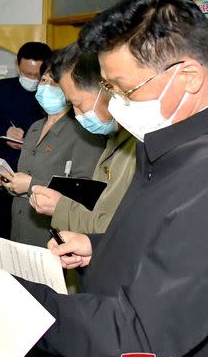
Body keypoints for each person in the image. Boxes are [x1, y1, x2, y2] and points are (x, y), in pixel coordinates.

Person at [17, 0, 208, 357]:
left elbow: (141, 334)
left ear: (186, 77)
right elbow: (169, 245)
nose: (113, 106)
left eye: (123, 90)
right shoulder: (170, 136)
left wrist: (21, 303)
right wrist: (100, 247)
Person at [0, 49, 105, 248]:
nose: (46, 87)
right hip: (20, 228)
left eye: (54, 83)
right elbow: (26, 176)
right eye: (43, 81)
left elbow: (85, 191)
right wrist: (7, 180)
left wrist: (32, 184)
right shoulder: (35, 127)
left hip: (53, 235)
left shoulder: (83, 130)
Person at [29, 42, 137, 237]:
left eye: (78, 104)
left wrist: (61, 208)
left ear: (107, 89)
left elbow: (125, 228)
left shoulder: (140, 143)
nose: (77, 115)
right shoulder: (115, 138)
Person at [0, 42, 51, 238]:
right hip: (3, 171)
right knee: (1, 230)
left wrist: (29, 139)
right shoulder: (2, 88)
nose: (32, 79)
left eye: (37, 76)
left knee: (31, 232)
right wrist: (5, 132)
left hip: (36, 175)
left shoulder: (51, 94)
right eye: (27, 73)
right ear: (17, 64)